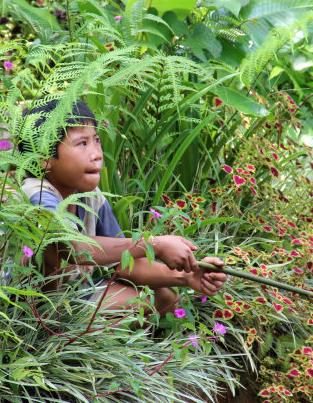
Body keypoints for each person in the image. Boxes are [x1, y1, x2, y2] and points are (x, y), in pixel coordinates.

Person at [19, 99, 227, 315]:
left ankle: (99, 336)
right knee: (143, 303)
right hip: (32, 304)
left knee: (166, 297)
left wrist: (187, 276)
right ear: (44, 158)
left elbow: (124, 263)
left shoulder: (89, 195)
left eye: (97, 140)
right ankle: (54, 335)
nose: (97, 153)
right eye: (82, 143)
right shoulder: (36, 193)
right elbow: (72, 248)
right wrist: (154, 244)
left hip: (78, 291)